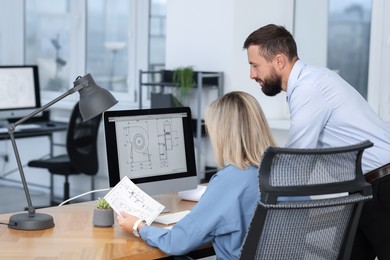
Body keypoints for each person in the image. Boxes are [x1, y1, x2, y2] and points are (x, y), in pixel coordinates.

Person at [243, 23, 390, 260]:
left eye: (255, 65)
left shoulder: (307, 88)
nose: (252, 75)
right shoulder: (313, 80)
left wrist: (243, 182)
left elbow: (296, 162)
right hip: (367, 188)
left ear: (279, 61)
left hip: (382, 186)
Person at [117, 91, 277, 259]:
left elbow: (176, 242)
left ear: (223, 135)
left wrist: (138, 226)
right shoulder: (287, 174)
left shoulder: (228, 181)